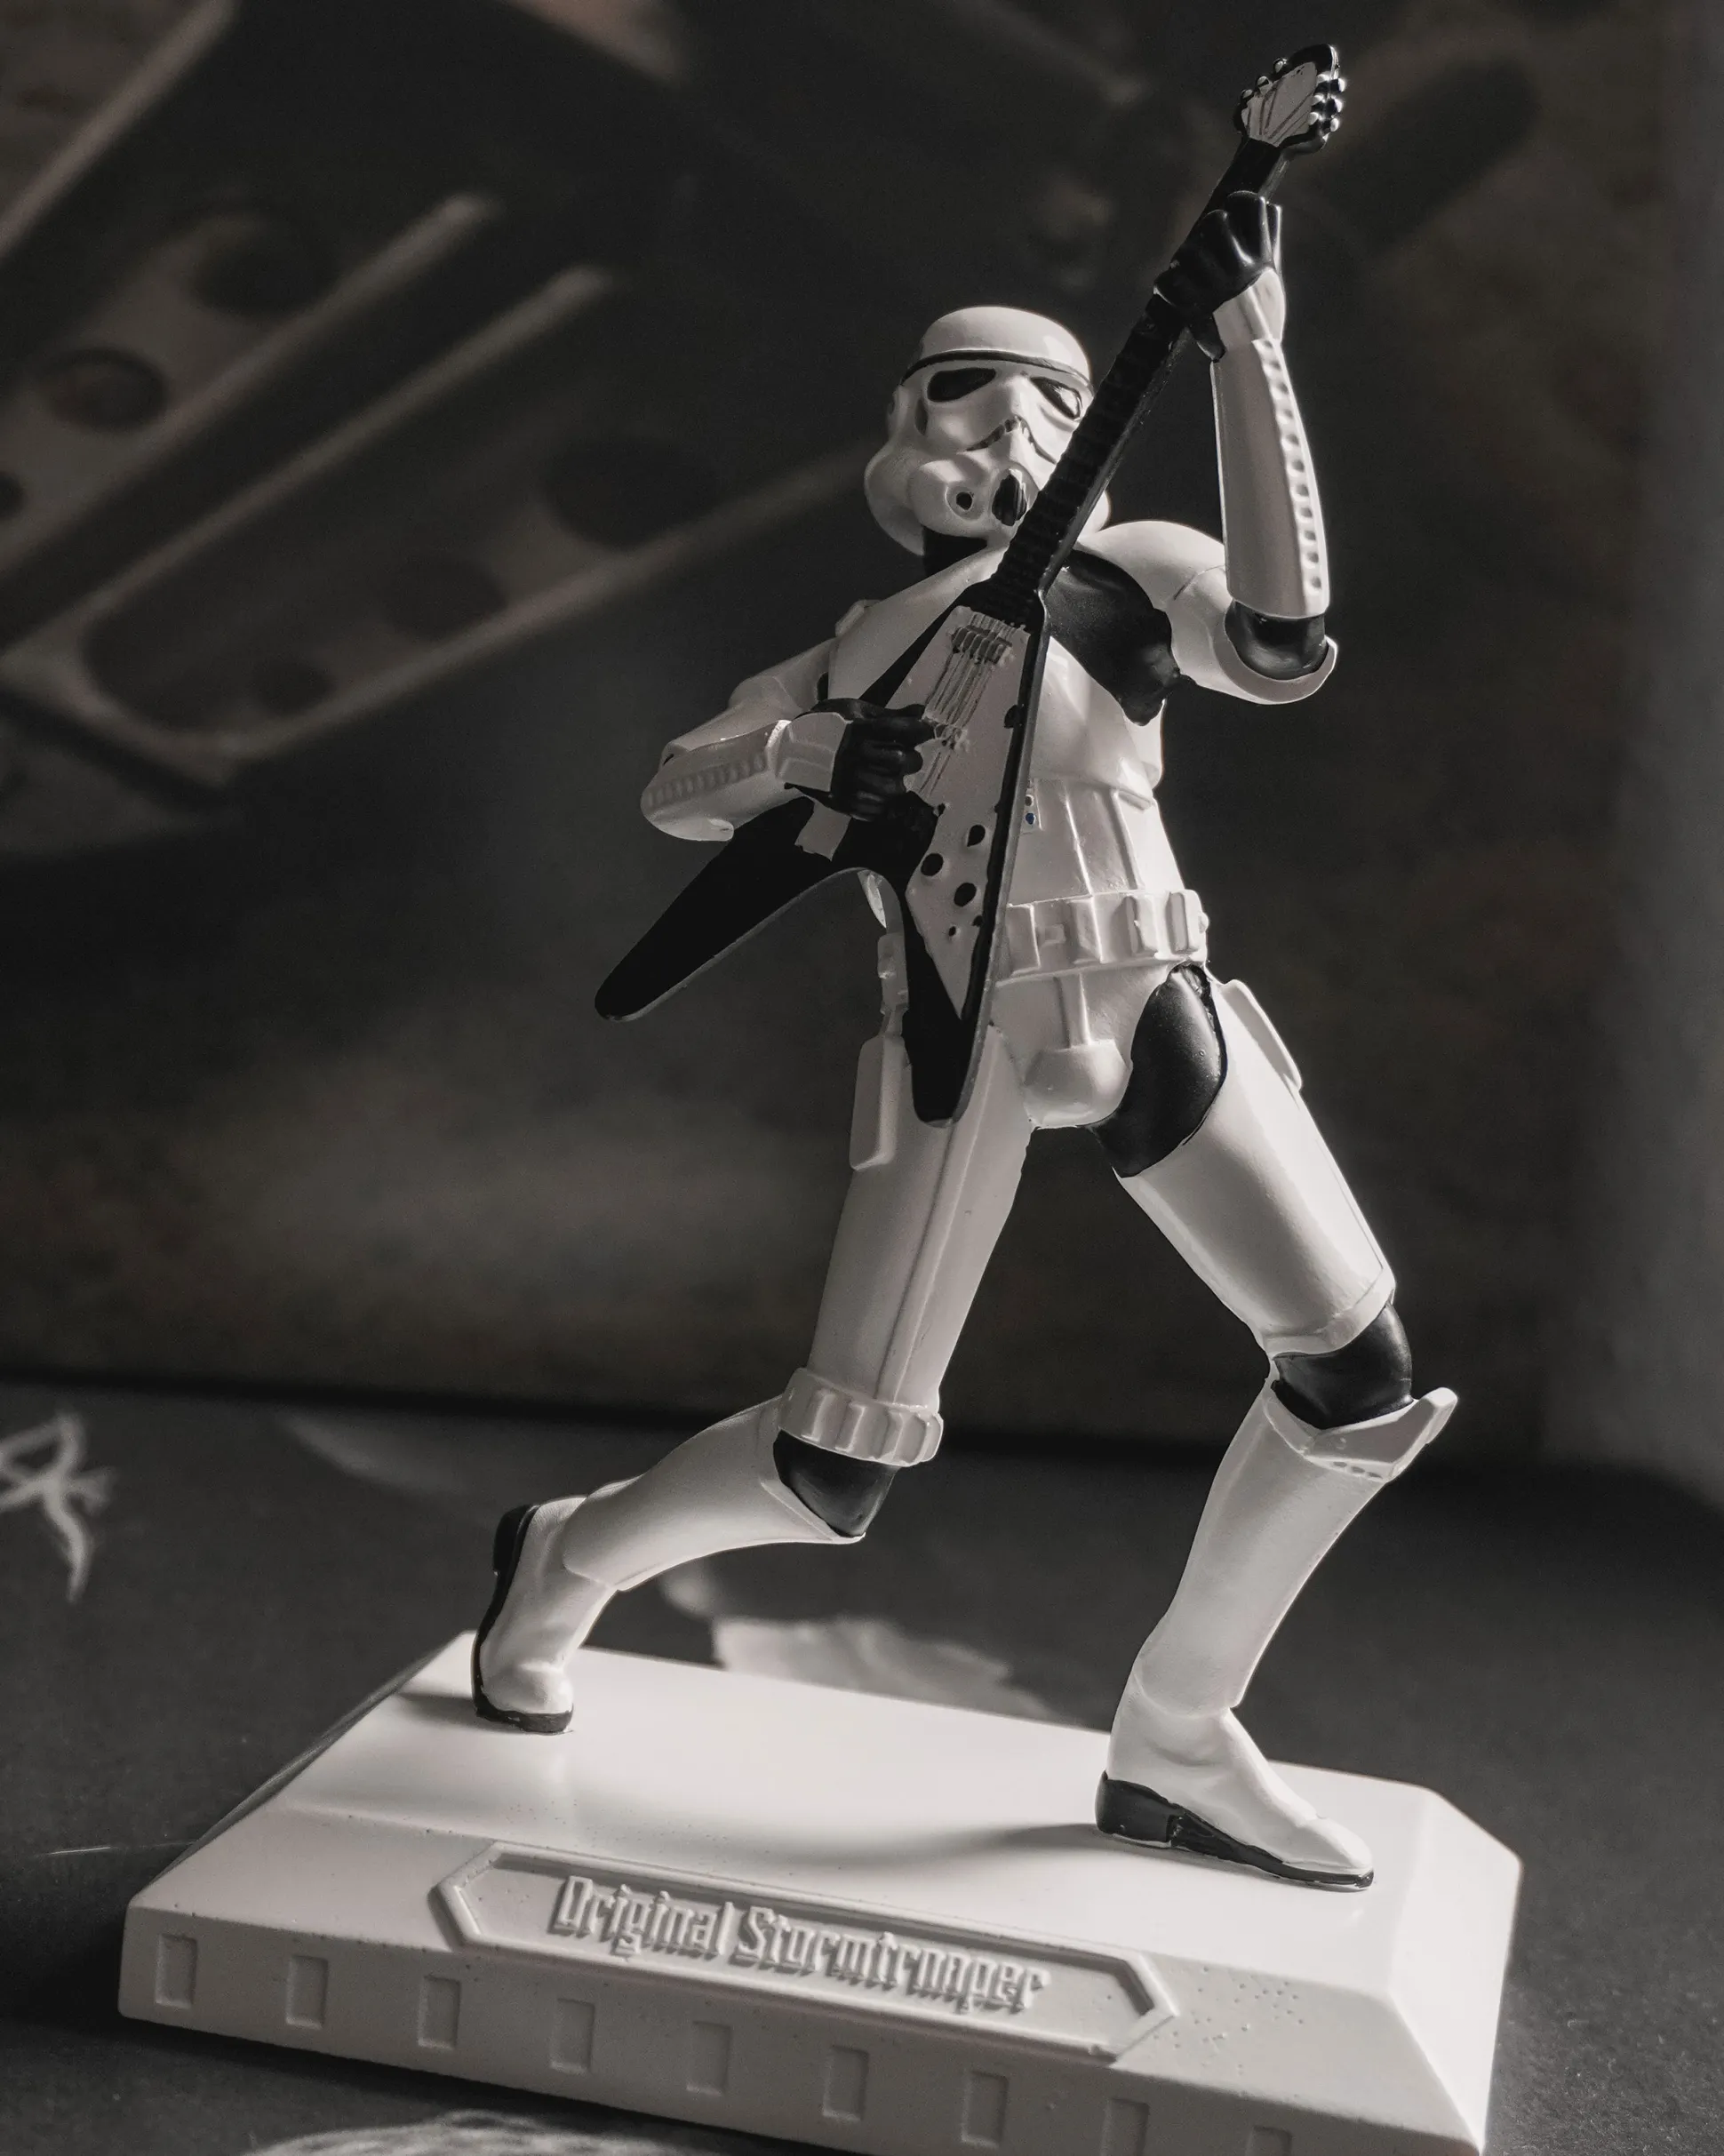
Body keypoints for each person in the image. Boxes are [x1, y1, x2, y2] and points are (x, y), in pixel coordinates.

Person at [471, 195, 1453, 1890]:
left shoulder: (1133, 576)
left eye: (1051, 399)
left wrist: (1251, 345)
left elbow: (1282, 643)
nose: (1009, 428)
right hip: (959, 1021)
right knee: (830, 1465)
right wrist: (808, 752)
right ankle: (568, 1557)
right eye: (968, 394)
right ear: (908, 430)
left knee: (1358, 1377)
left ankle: (1178, 1729)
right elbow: (677, 786)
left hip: (1153, 993)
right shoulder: (860, 642)